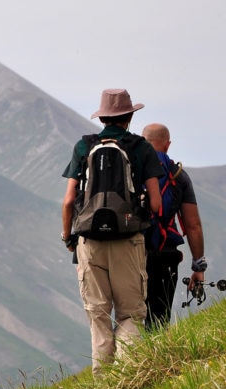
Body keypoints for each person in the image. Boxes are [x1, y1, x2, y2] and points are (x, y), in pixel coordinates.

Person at [61, 89, 163, 372]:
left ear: (102, 116)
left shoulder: (84, 147)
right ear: (129, 117)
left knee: (99, 315)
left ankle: (104, 388)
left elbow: (69, 200)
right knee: (131, 314)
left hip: (89, 242)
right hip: (128, 241)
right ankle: (129, 378)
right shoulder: (142, 148)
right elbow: (156, 203)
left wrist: (68, 237)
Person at [141, 123, 207, 330]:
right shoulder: (178, 175)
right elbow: (192, 225)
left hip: (132, 252)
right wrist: (198, 266)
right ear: (167, 145)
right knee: (159, 319)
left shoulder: (131, 168)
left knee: (128, 317)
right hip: (165, 254)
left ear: (142, 142)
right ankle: (157, 359)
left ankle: (126, 361)